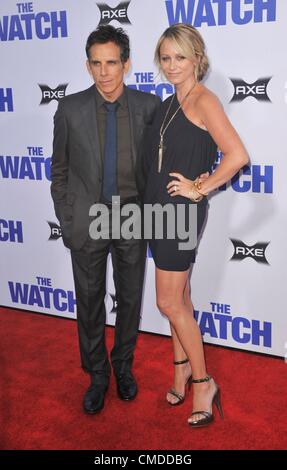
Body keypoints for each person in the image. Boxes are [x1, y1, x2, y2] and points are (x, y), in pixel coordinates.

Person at [51, 25, 160, 414]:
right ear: (87, 65)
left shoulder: (149, 107)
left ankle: (123, 368)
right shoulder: (70, 109)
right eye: (96, 63)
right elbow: (59, 171)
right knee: (90, 301)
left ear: (126, 65)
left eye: (111, 63)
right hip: (88, 217)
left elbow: (159, 166)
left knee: (130, 300)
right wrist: (68, 218)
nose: (104, 72)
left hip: (132, 214)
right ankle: (97, 375)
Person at [144, 23, 248, 427]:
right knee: (179, 300)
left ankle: (204, 382)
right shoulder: (171, 101)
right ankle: (181, 369)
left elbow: (236, 155)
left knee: (168, 302)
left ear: (197, 60)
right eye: (166, 58)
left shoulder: (204, 100)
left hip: (179, 215)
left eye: (180, 58)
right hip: (158, 211)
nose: (172, 66)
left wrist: (200, 188)